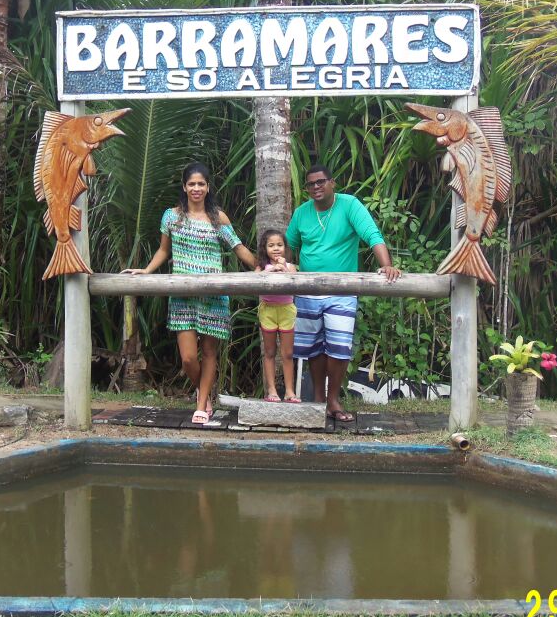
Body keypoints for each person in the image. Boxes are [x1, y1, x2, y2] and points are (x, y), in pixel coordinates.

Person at [123, 162, 256, 424]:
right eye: (192, 184)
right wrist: (147, 271)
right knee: (188, 358)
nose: (196, 188)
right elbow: (164, 250)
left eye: (201, 184)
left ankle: (202, 402)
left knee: (209, 353)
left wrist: (261, 267)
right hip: (182, 293)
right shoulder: (171, 216)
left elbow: (238, 247)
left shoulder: (219, 218)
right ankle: (203, 392)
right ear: (184, 187)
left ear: (208, 188)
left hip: (214, 294)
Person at [285, 164, 401, 423]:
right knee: (314, 348)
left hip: (342, 289)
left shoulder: (349, 205)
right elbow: (289, 245)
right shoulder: (302, 213)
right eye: (311, 184)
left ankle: (333, 399)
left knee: (339, 348)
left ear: (332, 182)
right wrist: (289, 270)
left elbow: (372, 236)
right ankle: (318, 400)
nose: (316, 187)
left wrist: (386, 265)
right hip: (308, 289)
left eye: (320, 182)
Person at [255, 229, 299, 403]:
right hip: (268, 310)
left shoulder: (290, 266)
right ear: (264, 248)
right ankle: (272, 390)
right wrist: (271, 270)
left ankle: (289, 391)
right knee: (270, 352)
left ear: (285, 248)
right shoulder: (262, 267)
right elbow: (256, 280)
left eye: (279, 245)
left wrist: (284, 268)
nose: (275, 249)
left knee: (287, 353)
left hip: (287, 309)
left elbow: (295, 279)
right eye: (271, 245)